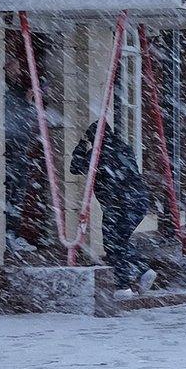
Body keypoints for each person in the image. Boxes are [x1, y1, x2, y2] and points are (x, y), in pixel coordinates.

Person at [71, 120, 151, 290]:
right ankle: (138, 273)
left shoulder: (98, 154)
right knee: (119, 242)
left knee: (113, 244)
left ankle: (127, 283)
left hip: (118, 205)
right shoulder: (123, 148)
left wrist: (81, 145)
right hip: (138, 201)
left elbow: (75, 168)